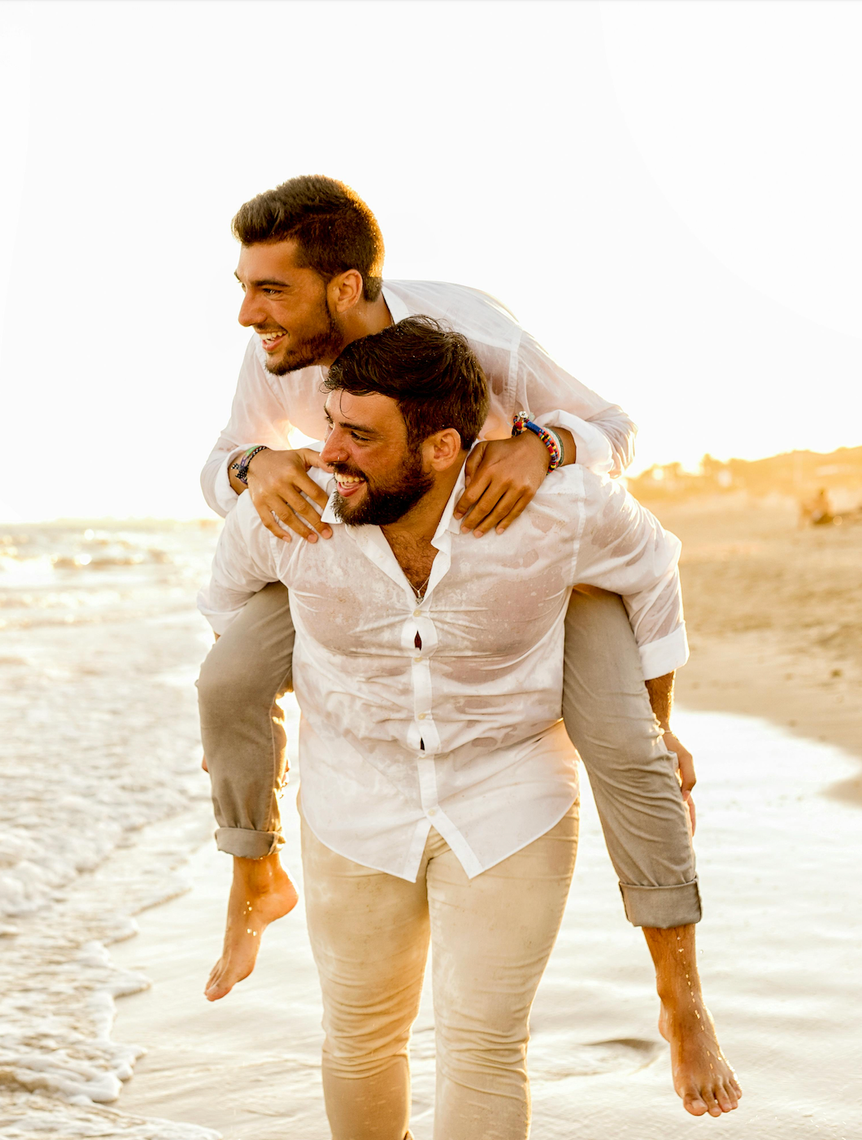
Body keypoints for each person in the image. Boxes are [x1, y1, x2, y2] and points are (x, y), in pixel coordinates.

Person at [197, 175, 714, 1112]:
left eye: (270, 290)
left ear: (344, 286)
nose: (247, 313)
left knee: (633, 752)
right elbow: (219, 477)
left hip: (511, 550)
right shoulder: (280, 364)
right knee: (227, 677)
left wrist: (544, 450)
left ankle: (682, 1000)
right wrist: (254, 466)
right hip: (355, 551)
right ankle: (251, 870)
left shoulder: (478, 336)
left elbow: (612, 433)